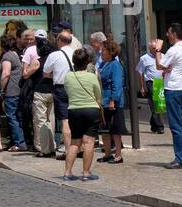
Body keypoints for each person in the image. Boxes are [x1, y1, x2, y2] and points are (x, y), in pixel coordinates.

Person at [152, 23, 182, 169]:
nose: (167, 35)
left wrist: (157, 50)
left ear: (174, 34)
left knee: (176, 126)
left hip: (174, 90)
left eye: (168, 33)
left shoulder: (174, 49)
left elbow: (159, 65)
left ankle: (180, 159)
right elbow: (170, 66)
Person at [62, 47, 103, 181]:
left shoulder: (68, 77)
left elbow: (68, 92)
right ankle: (86, 173)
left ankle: (67, 172)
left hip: (74, 110)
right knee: (89, 142)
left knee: (75, 142)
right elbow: (98, 95)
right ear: (87, 62)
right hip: (91, 110)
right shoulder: (92, 77)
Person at [42, 28, 76, 160]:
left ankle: (68, 151)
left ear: (60, 41)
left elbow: (46, 73)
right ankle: (79, 148)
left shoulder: (54, 55)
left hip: (61, 88)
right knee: (77, 119)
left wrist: (56, 75)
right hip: (75, 88)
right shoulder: (77, 53)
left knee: (65, 121)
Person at [0, 32, 28, 152]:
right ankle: (21, 141)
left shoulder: (7, 57)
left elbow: (6, 74)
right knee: (17, 117)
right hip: (17, 90)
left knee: (12, 117)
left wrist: (1, 89)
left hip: (10, 91)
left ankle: (19, 143)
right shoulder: (15, 54)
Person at [98, 37, 126, 163]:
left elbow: (117, 84)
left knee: (115, 129)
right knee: (105, 129)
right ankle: (107, 153)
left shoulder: (115, 65)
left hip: (112, 102)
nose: (101, 52)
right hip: (104, 100)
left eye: (103, 50)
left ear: (110, 51)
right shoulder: (104, 64)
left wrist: (113, 100)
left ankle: (118, 155)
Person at [136, 43, 165, 133]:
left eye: (157, 48)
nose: (155, 50)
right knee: (154, 103)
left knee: (159, 105)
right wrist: (142, 87)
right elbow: (140, 72)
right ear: (150, 49)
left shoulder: (162, 56)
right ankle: (160, 126)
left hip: (160, 82)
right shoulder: (144, 58)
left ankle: (153, 124)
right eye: (153, 48)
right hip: (151, 82)